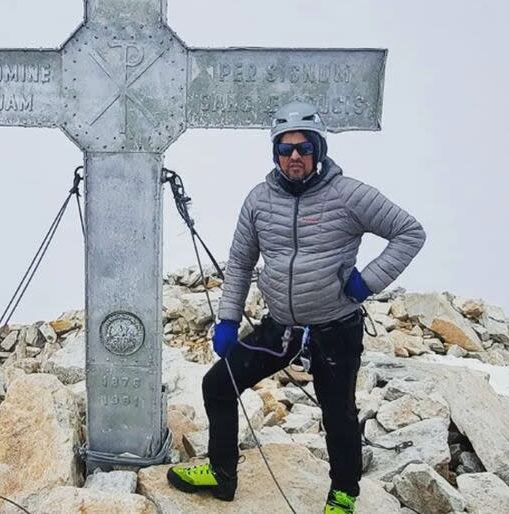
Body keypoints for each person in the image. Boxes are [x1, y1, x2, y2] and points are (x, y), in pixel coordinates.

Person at [166, 101, 426, 514]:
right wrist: (228, 319)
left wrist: (368, 282)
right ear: (275, 154)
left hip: (335, 328)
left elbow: (409, 232)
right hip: (281, 328)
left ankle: (343, 494)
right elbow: (240, 262)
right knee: (218, 385)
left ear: (319, 149)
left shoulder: (349, 195)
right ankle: (222, 472)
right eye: (284, 150)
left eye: (304, 148)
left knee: (337, 411)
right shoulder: (259, 200)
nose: (294, 157)